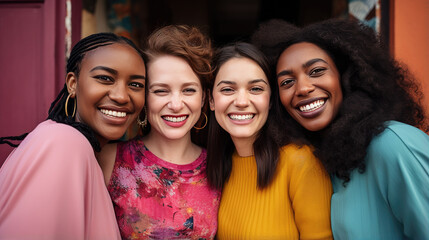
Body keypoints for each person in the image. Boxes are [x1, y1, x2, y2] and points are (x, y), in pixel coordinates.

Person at [252, 18, 429, 239]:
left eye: (316, 71)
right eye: (287, 82)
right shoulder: (325, 160)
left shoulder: (393, 144)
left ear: (346, 77)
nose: (303, 88)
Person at [0, 32, 146, 239]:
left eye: (136, 85)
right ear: (73, 83)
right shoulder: (64, 143)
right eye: (105, 78)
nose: (121, 96)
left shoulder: (83, 150)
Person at [98, 25, 220, 239]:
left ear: (203, 98)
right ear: (145, 97)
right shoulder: (109, 160)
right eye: (161, 90)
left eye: (188, 90)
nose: (175, 104)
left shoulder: (219, 167)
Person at [207, 42, 333, 239]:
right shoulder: (217, 166)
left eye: (256, 89)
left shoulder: (300, 161)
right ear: (211, 101)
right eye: (228, 90)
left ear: (271, 100)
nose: (241, 101)